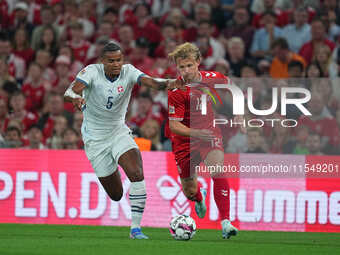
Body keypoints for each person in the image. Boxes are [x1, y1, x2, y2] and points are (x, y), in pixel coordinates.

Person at [64, 42, 180, 239]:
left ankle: (135, 229)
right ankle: (112, 169)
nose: (116, 64)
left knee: (136, 172)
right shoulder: (91, 72)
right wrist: (76, 98)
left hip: (118, 131)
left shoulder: (129, 72)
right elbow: (70, 92)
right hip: (95, 138)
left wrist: (172, 83)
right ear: (102, 61)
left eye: (119, 60)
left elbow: (151, 82)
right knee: (116, 194)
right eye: (111, 61)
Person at [167, 42, 242, 239]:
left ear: (198, 62)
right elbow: (174, 126)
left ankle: (226, 222)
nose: (186, 71)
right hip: (184, 140)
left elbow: (233, 88)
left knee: (217, 169)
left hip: (208, 134)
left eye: (189, 65)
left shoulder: (212, 77)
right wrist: (196, 133)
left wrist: (240, 113)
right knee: (190, 191)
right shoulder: (176, 90)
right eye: (181, 67)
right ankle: (200, 198)